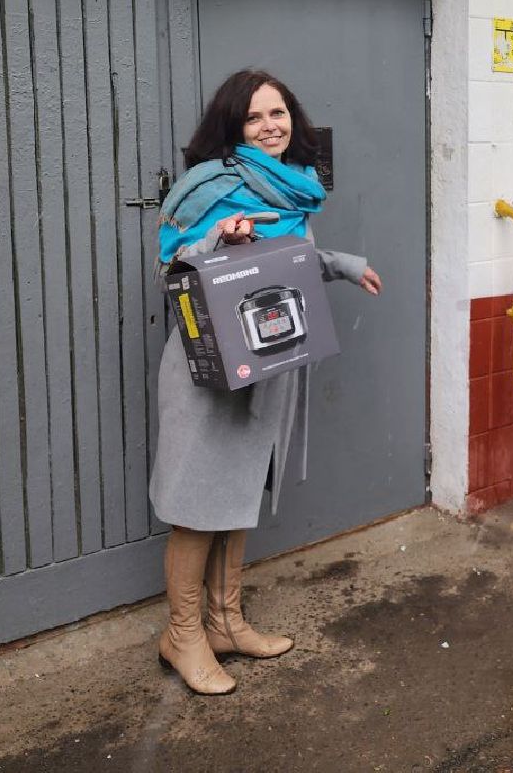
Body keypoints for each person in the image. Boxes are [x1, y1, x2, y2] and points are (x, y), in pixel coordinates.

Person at [149, 68, 381, 695]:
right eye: (254, 117)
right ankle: (182, 635)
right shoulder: (210, 186)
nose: (269, 126)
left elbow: (288, 261)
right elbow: (172, 266)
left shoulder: (294, 184)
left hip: (263, 362)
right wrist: (218, 237)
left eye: (277, 113)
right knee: (196, 503)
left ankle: (225, 622)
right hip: (208, 371)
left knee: (238, 491)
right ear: (233, 126)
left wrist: (343, 265)